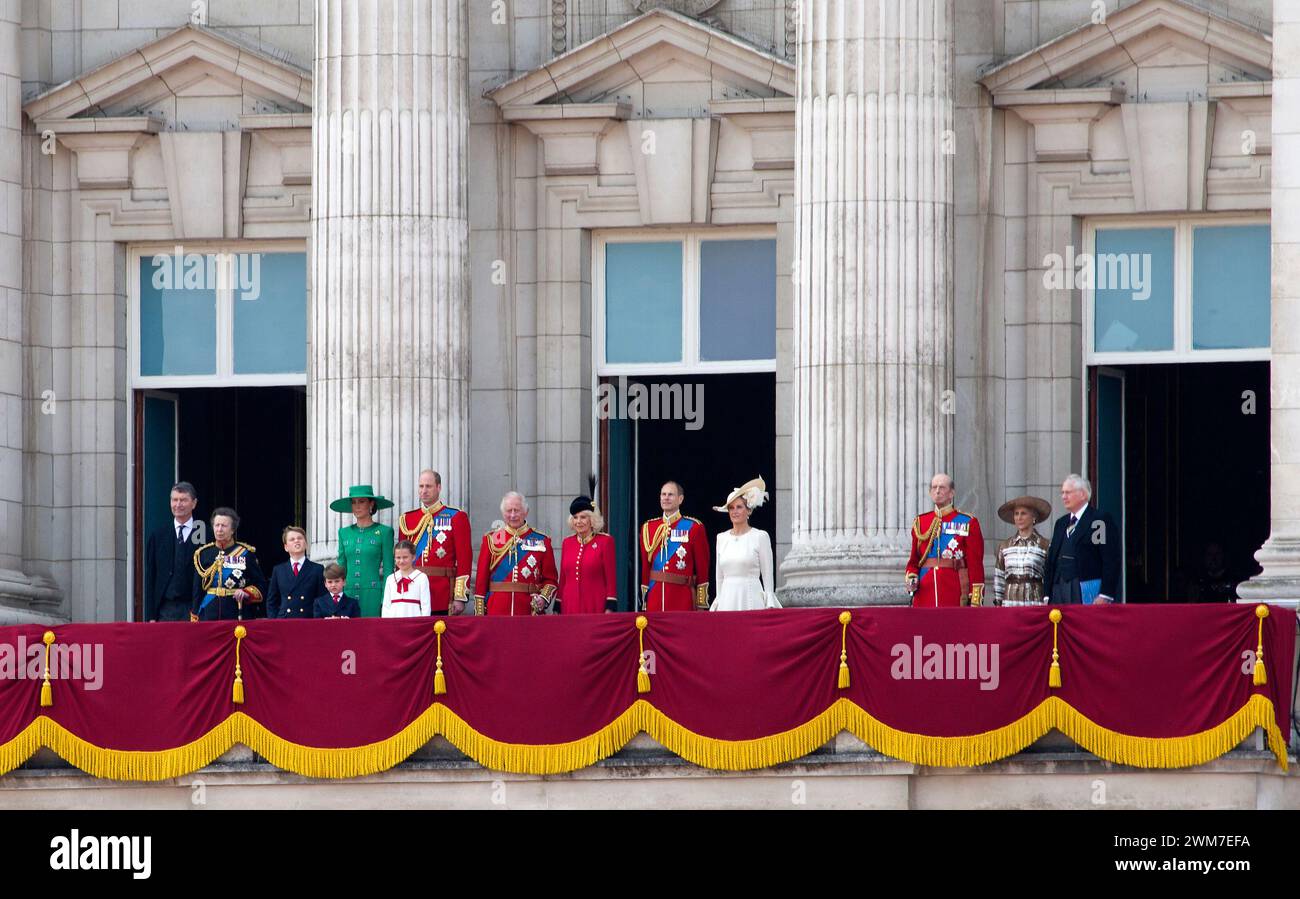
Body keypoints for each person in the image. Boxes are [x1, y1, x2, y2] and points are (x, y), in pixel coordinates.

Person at [398, 469, 471, 616]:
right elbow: (400, 559)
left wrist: (460, 596)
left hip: (442, 593)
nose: (424, 490)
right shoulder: (407, 519)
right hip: (413, 591)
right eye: (421, 486)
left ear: (439, 487)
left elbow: (464, 560)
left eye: (428, 486)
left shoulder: (456, 517)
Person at [905, 473, 985, 607]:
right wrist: (912, 577)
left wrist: (975, 598)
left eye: (942, 487)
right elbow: (914, 561)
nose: (937, 491)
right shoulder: (921, 522)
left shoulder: (968, 522)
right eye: (934, 487)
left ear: (951, 493)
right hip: (925, 592)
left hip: (955, 590)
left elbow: (975, 564)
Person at [473, 492, 557, 616]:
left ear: (526, 512)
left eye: (516, 510)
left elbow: (551, 579)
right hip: (497, 609)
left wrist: (543, 599)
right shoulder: (491, 539)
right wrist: (480, 614)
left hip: (528, 610)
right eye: (508, 511)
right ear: (503, 513)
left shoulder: (541, 540)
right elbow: (481, 581)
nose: (512, 515)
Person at [1043, 474, 1121, 605]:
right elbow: (1051, 561)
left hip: (1085, 587)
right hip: (1058, 589)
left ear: (1083, 494)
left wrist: (1105, 594)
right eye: (1062, 493)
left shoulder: (1098, 521)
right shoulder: (1061, 523)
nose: (1063, 497)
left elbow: (1110, 559)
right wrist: (1046, 594)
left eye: (1068, 492)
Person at [639, 481, 710, 612]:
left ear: (680, 499)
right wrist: (645, 601)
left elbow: (702, 568)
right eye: (663, 494)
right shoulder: (648, 528)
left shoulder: (694, 527)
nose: (666, 497)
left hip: (682, 599)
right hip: (655, 599)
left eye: (670, 494)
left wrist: (701, 603)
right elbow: (645, 568)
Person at [710, 477, 780, 612]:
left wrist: (769, 597)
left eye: (739, 507)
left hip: (750, 596)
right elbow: (719, 576)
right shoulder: (721, 538)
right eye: (731, 508)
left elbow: (767, 573)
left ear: (749, 511)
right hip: (727, 599)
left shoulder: (760, 536)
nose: (734, 511)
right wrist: (719, 598)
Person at [190, 507, 267, 621]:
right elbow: (197, 590)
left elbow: (261, 585)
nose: (219, 529)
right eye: (217, 525)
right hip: (208, 613)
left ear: (233, 530)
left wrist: (246, 593)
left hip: (236, 613)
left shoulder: (245, 553)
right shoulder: (203, 554)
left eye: (224, 526)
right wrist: (195, 615)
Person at [332, 485, 395, 618]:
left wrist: (386, 599)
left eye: (362, 501)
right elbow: (341, 568)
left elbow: (389, 570)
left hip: (373, 595)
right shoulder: (344, 533)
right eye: (354, 502)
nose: (357, 506)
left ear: (371, 504)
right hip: (348, 594)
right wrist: (337, 595)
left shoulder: (385, 532)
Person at [144, 481, 202, 621]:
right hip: (166, 609)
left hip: (196, 609)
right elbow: (151, 577)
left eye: (183, 500)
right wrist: (151, 616)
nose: (178, 504)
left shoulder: (205, 534)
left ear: (194, 503)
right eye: (174, 500)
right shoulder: (158, 536)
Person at [556, 496, 617, 614]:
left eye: (583, 517)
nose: (578, 521)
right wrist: (557, 605)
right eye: (575, 517)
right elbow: (563, 578)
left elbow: (611, 579)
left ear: (592, 519)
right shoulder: (567, 543)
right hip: (569, 605)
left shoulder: (605, 541)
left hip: (595, 604)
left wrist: (610, 606)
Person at [992, 496, 1052, 606]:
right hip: (1009, 602)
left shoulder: (1044, 545)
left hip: (1035, 601)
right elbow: (999, 577)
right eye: (1016, 514)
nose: (1019, 517)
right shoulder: (1005, 546)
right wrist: (998, 603)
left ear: (1033, 517)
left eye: (1023, 513)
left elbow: (1049, 576)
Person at [265, 526, 326, 619]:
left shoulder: (317, 569)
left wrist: (317, 621)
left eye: (300, 538)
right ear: (286, 547)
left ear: (306, 544)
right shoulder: (278, 570)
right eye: (292, 539)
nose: (296, 541)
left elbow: (322, 599)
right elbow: (271, 601)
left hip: (308, 621)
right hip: (284, 622)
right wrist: (274, 622)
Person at [382, 541, 432, 617]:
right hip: (393, 622)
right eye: (398, 557)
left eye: (405, 557)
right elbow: (386, 606)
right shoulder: (390, 578)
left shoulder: (421, 577)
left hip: (414, 622)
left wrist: (423, 624)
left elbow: (426, 606)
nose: (401, 561)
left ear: (413, 557)